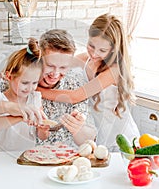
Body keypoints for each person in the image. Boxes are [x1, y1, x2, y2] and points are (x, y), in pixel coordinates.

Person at [0, 29, 96, 148]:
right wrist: (9, 107)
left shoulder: (73, 86)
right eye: (50, 65)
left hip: (61, 161)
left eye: (63, 67)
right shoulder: (12, 82)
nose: (55, 73)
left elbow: (90, 138)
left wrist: (78, 128)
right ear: (39, 59)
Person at [37, 14, 140, 151]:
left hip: (120, 137)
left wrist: (35, 90)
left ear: (113, 49)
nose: (94, 53)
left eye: (102, 50)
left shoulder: (114, 71)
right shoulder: (86, 59)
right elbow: (60, 62)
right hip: (99, 133)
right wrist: (17, 72)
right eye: (91, 45)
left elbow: (75, 96)